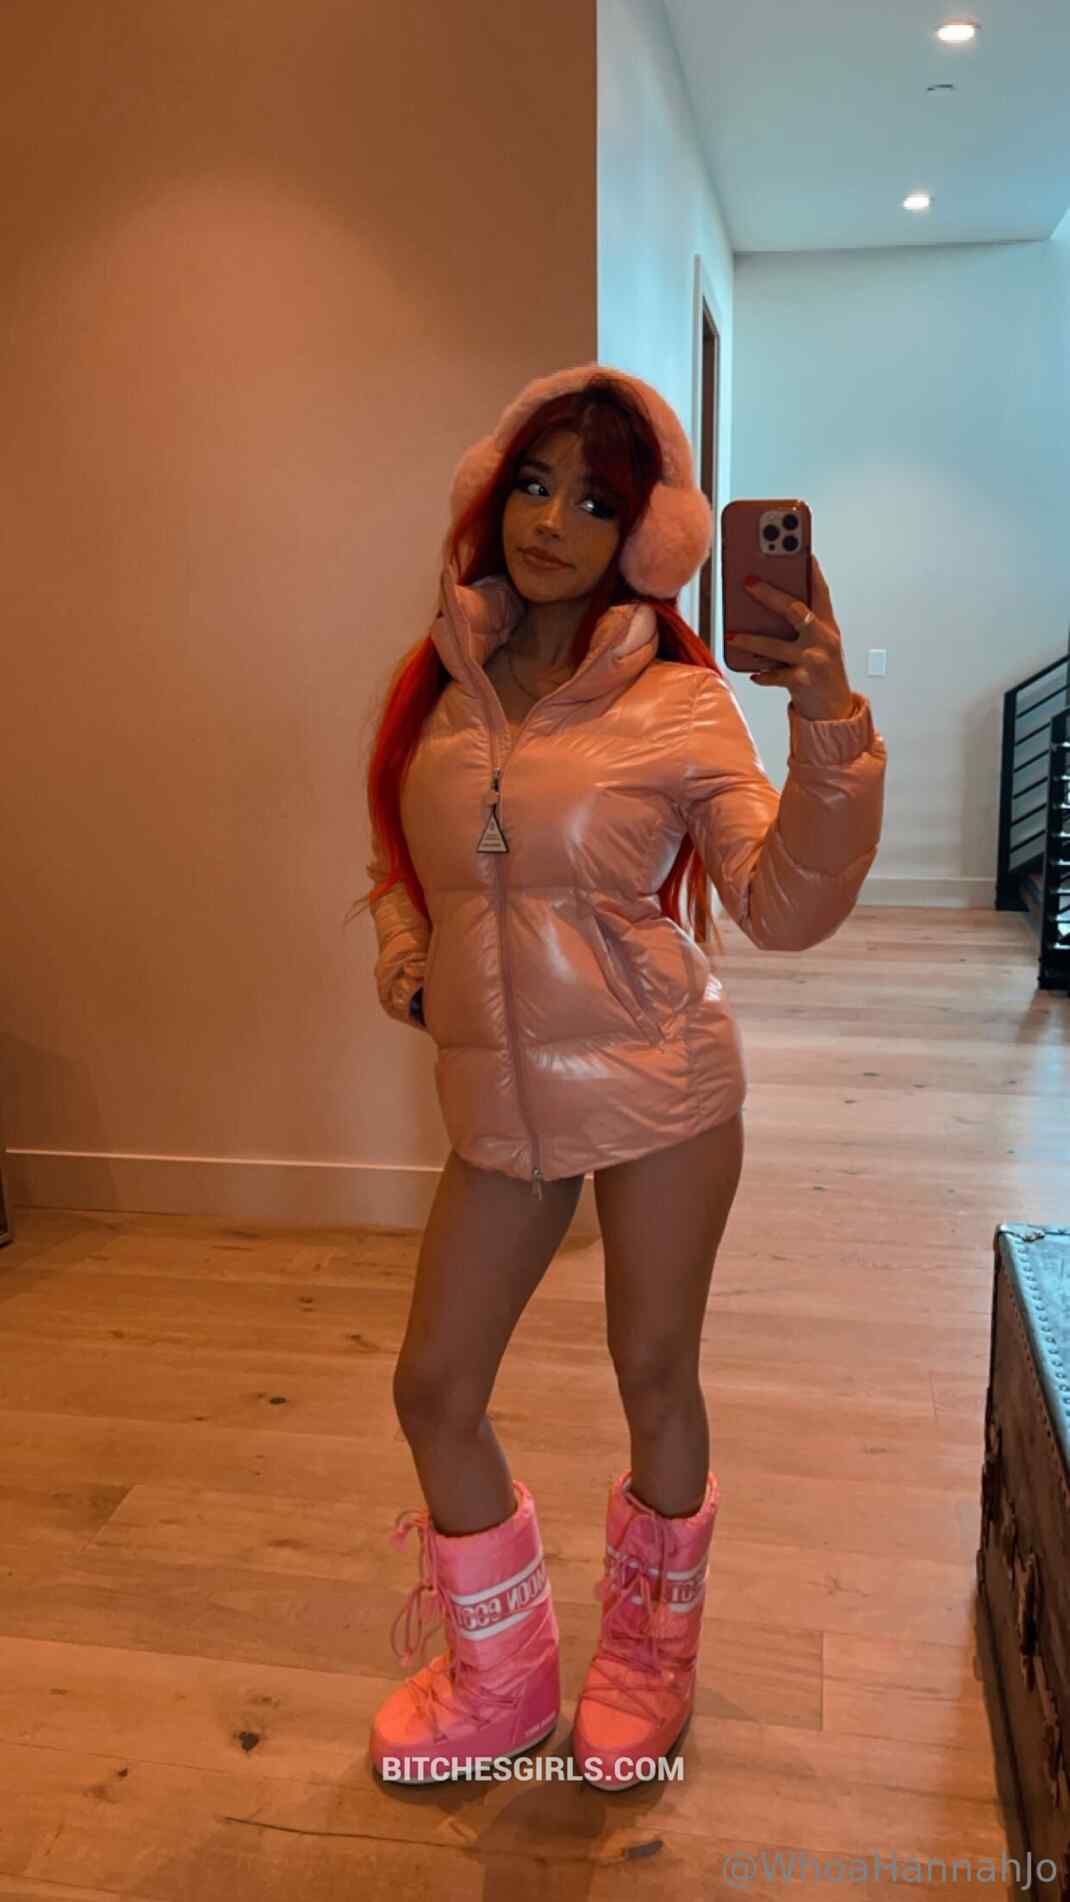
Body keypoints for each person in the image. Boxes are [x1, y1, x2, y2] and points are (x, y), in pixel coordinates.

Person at [352, 362, 887, 1789]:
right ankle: (504, 1675)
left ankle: (650, 1660)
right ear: (490, 497)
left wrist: (828, 722)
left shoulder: (678, 703)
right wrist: (411, 965)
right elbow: (402, 861)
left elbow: (780, 904)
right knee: (434, 1385)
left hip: (660, 1083)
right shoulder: (440, 687)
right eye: (533, 486)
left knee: (653, 1370)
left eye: (595, 501)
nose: (552, 524)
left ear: (644, 533)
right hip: (501, 1106)